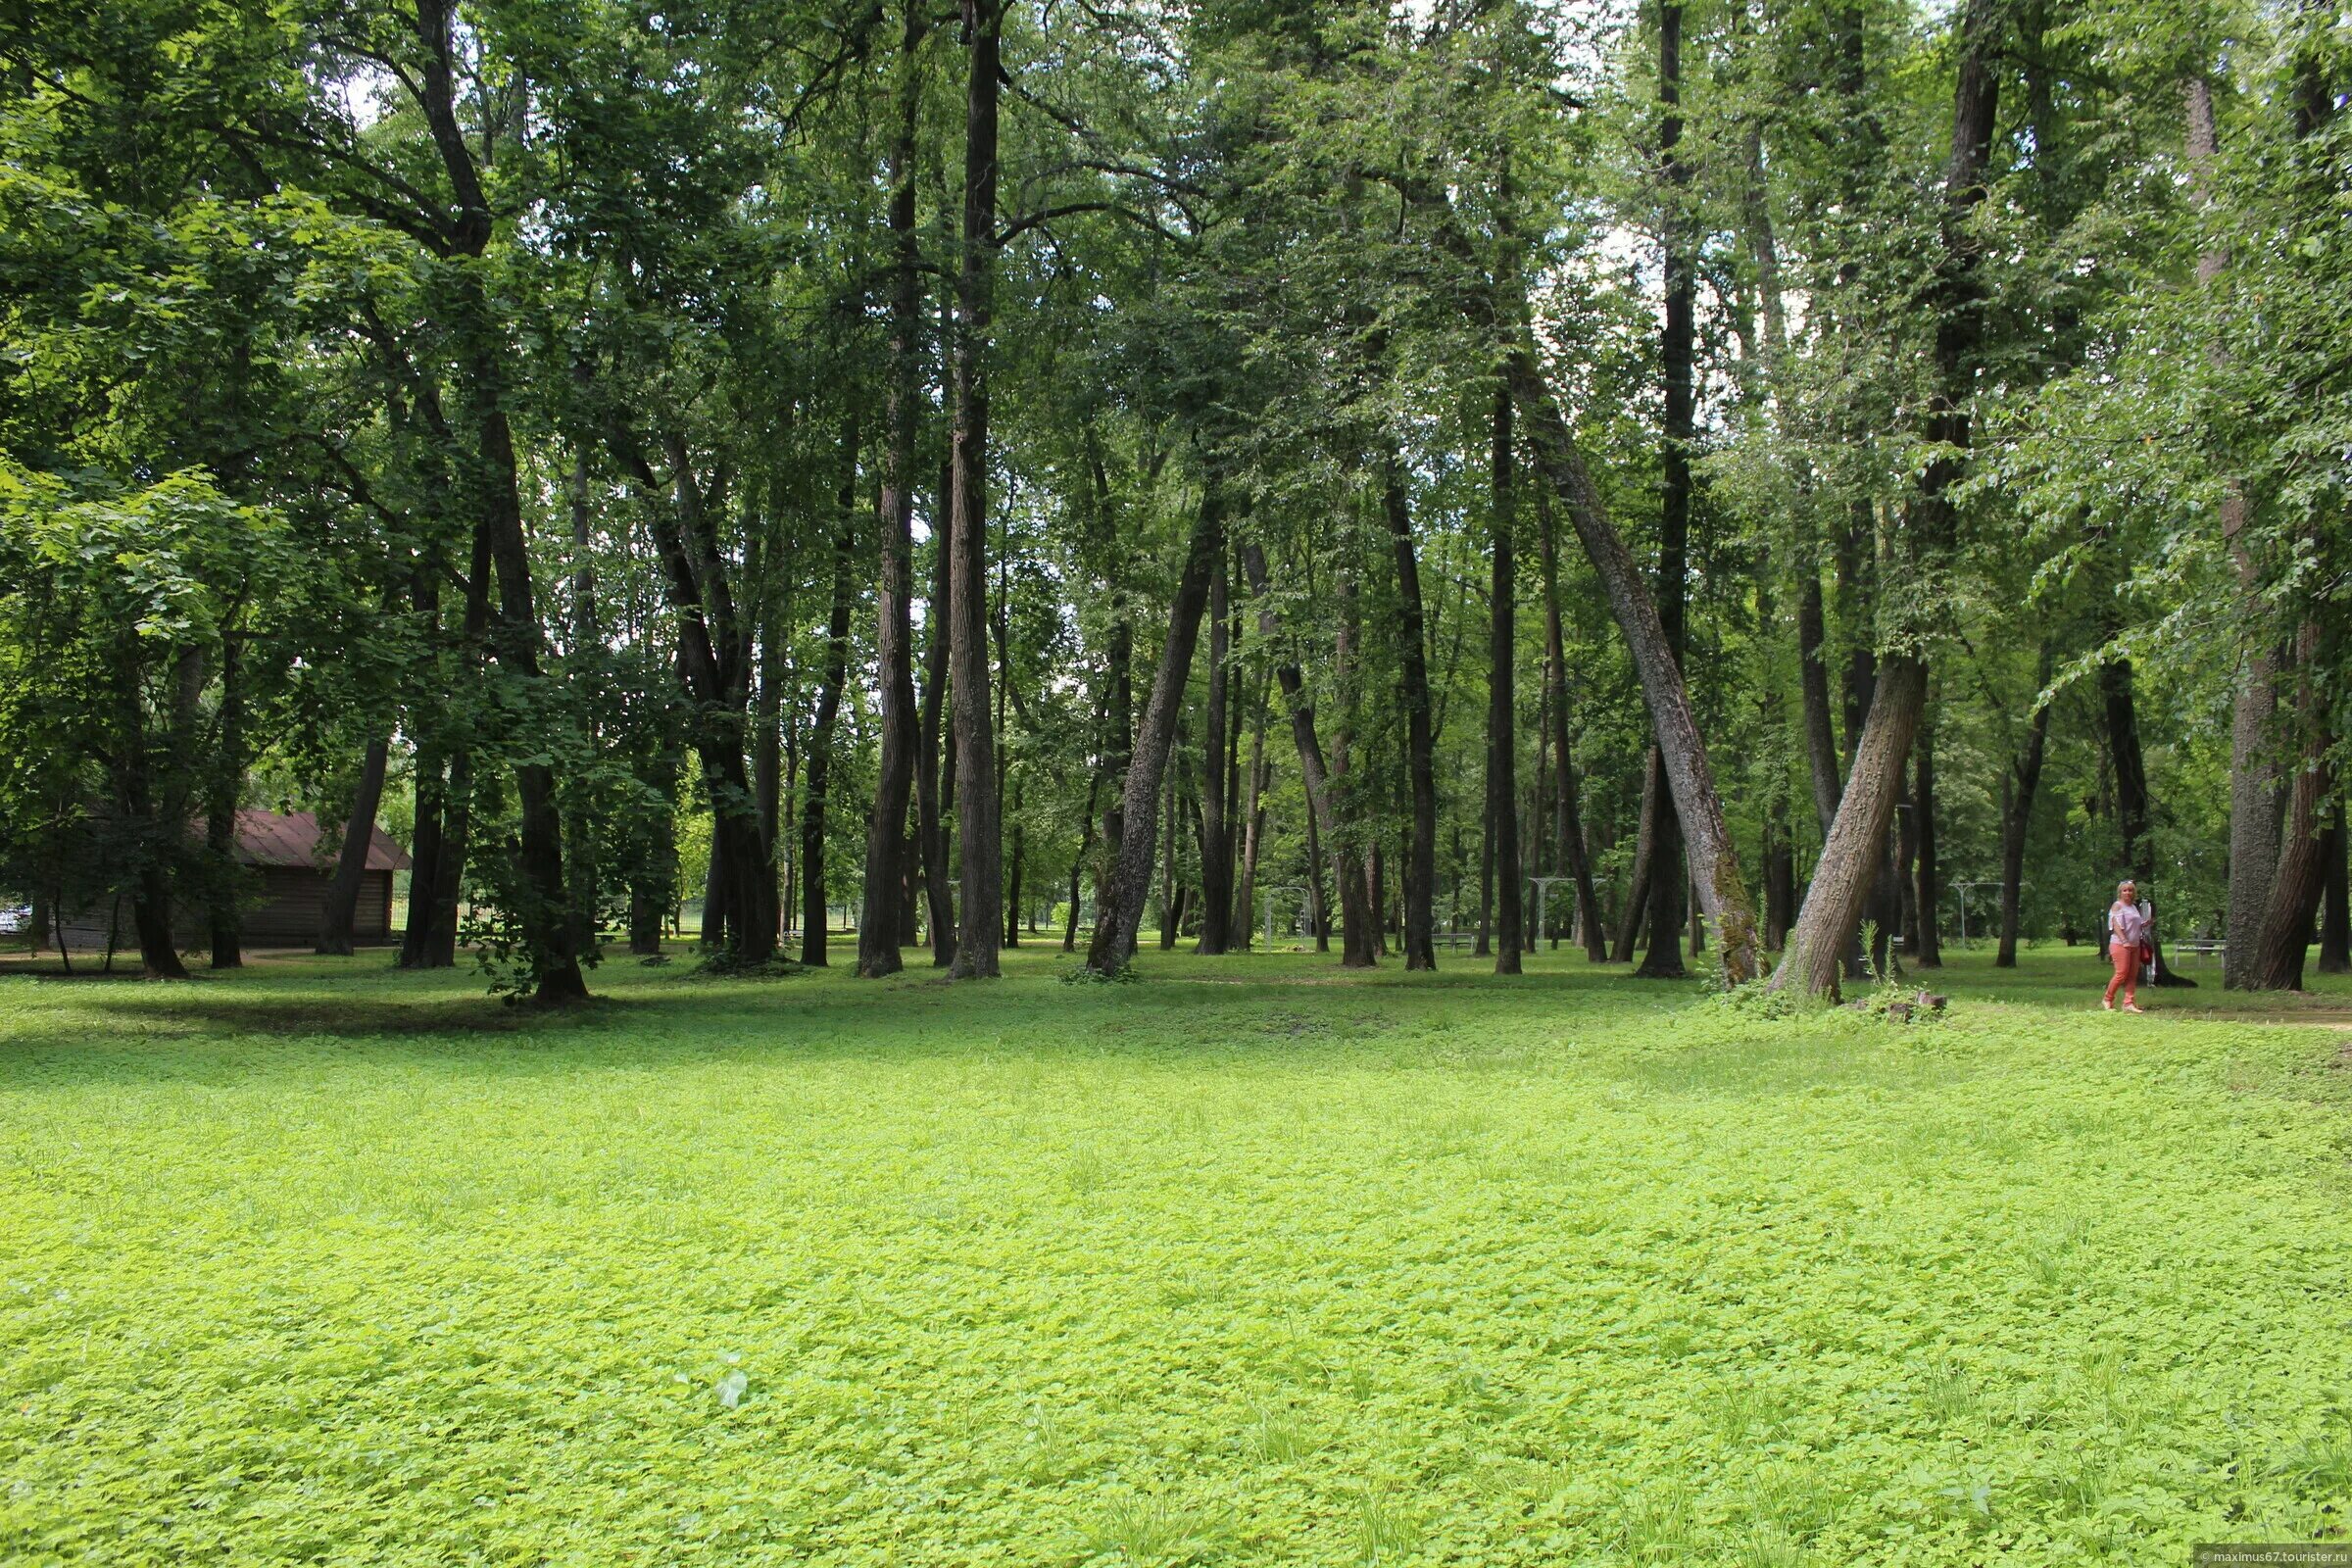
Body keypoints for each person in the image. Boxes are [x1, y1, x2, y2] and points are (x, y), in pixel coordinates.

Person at [2105, 880, 2149, 1012]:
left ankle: (2128, 1003)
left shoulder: (2133, 907)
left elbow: (2135, 924)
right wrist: (2124, 941)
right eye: (2125, 890)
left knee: (2132, 974)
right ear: (2120, 892)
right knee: (2121, 973)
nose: (2128, 892)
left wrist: (2144, 924)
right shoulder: (2117, 906)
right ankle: (2107, 999)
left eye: (2130, 890)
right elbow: (2116, 925)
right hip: (2120, 944)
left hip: (2135, 944)